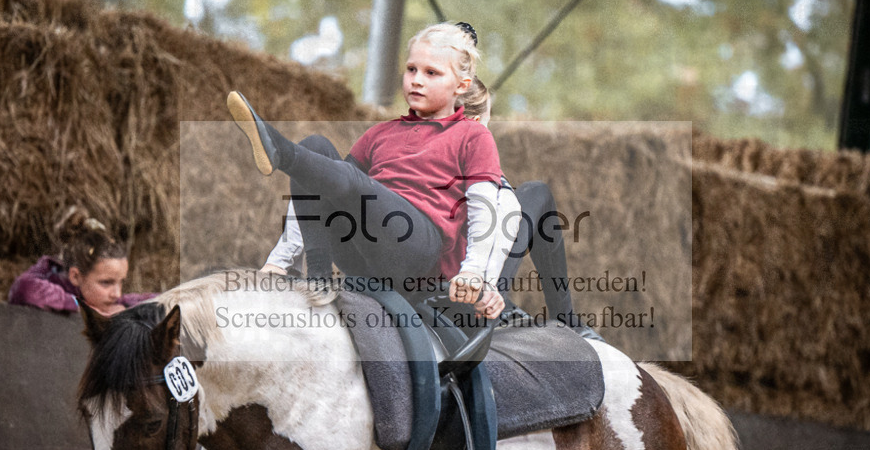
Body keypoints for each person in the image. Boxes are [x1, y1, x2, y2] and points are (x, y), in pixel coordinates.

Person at [230, 22, 512, 319]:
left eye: (432, 73)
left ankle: (281, 151)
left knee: (345, 176)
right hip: (361, 252)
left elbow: (484, 208)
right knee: (315, 149)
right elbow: (325, 180)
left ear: (461, 86)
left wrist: (473, 271)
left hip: (415, 253)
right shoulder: (381, 133)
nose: (417, 80)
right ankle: (318, 277)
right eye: (411, 69)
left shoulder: (473, 135)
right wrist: (279, 261)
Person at [457, 79, 605, 342]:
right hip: (473, 291)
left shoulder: (409, 146)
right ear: (478, 121)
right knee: (537, 193)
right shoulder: (477, 146)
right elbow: (497, 223)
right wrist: (489, 288)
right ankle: (566, 319)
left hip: (428, 281)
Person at [8, 206, 155, 316]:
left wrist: (127, 310)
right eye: (106, 283)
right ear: (75, 276)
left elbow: (150, 299)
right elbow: (24, 288)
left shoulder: (102, 298)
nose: (117, 294)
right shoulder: (50, 278)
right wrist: (80, 307)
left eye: (121, 282)